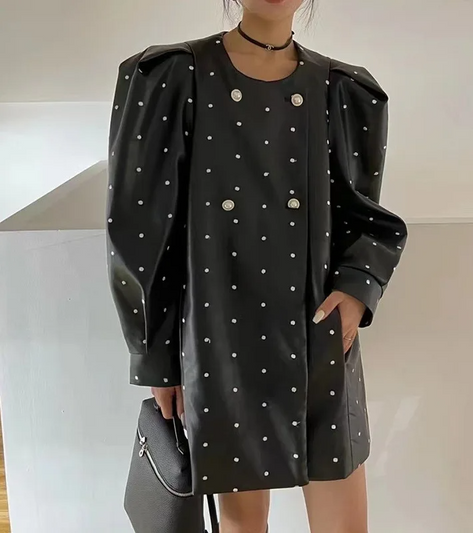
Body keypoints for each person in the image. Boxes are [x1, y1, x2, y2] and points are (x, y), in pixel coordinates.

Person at [106, 0, 407, 531]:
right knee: (244, 524)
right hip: (218, 339)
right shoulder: (174, 77)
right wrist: (156, 358)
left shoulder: (342, 90)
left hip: (319, 335)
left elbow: (365, 220)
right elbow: (140, 230)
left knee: (344, 523)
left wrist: (358, 291)